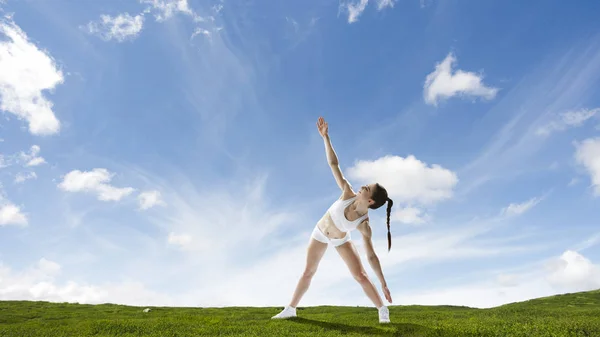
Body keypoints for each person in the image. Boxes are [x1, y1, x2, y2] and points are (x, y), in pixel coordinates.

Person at [271, 116, 394, 324]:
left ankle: (382, 309)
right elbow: (333, 164)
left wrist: (382, 281)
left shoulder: (364, 225)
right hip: (320, 232)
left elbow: (371, 257)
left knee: (361, 275)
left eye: (367, 188)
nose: (362, 186)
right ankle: (291, 308)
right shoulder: (347, 192)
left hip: (340, 239)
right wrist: (325, 137)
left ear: (370, 200)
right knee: (308, 272)